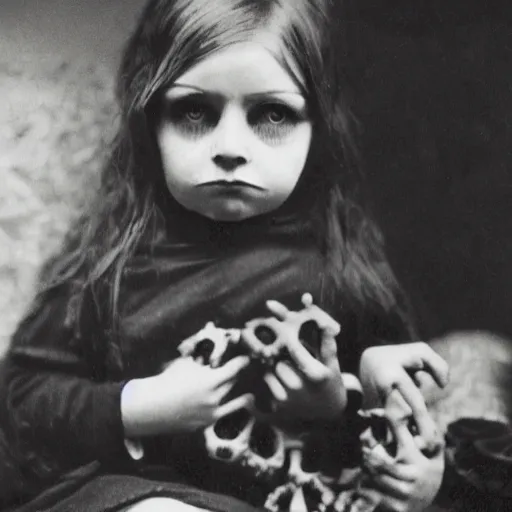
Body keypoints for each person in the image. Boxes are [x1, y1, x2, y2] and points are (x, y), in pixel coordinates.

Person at [1, 0, 449, 511]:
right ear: (151, 121)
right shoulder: (111, 256)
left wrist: (350, 408)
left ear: (317, 127)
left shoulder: (342, 263)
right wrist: (139, 406)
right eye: (195, 111)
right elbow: (22, 396)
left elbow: (379, 440)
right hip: (132, 490)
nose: (230, 146)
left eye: (273, 113)